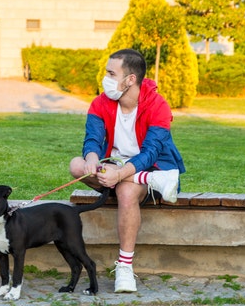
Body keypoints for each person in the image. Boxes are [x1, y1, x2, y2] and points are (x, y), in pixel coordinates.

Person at [69, 49, 185, 293]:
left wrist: (121, 174)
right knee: (76, 165)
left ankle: (124, 267)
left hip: (150, 166)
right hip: (112, 167)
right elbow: (92, 138)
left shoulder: (158, 105)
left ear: (130, 79)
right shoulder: (101, 102)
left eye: (112, 74)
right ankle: (147, 180)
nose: (106, 79)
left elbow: (151, 152)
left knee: (126, 191)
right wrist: (92, 158)